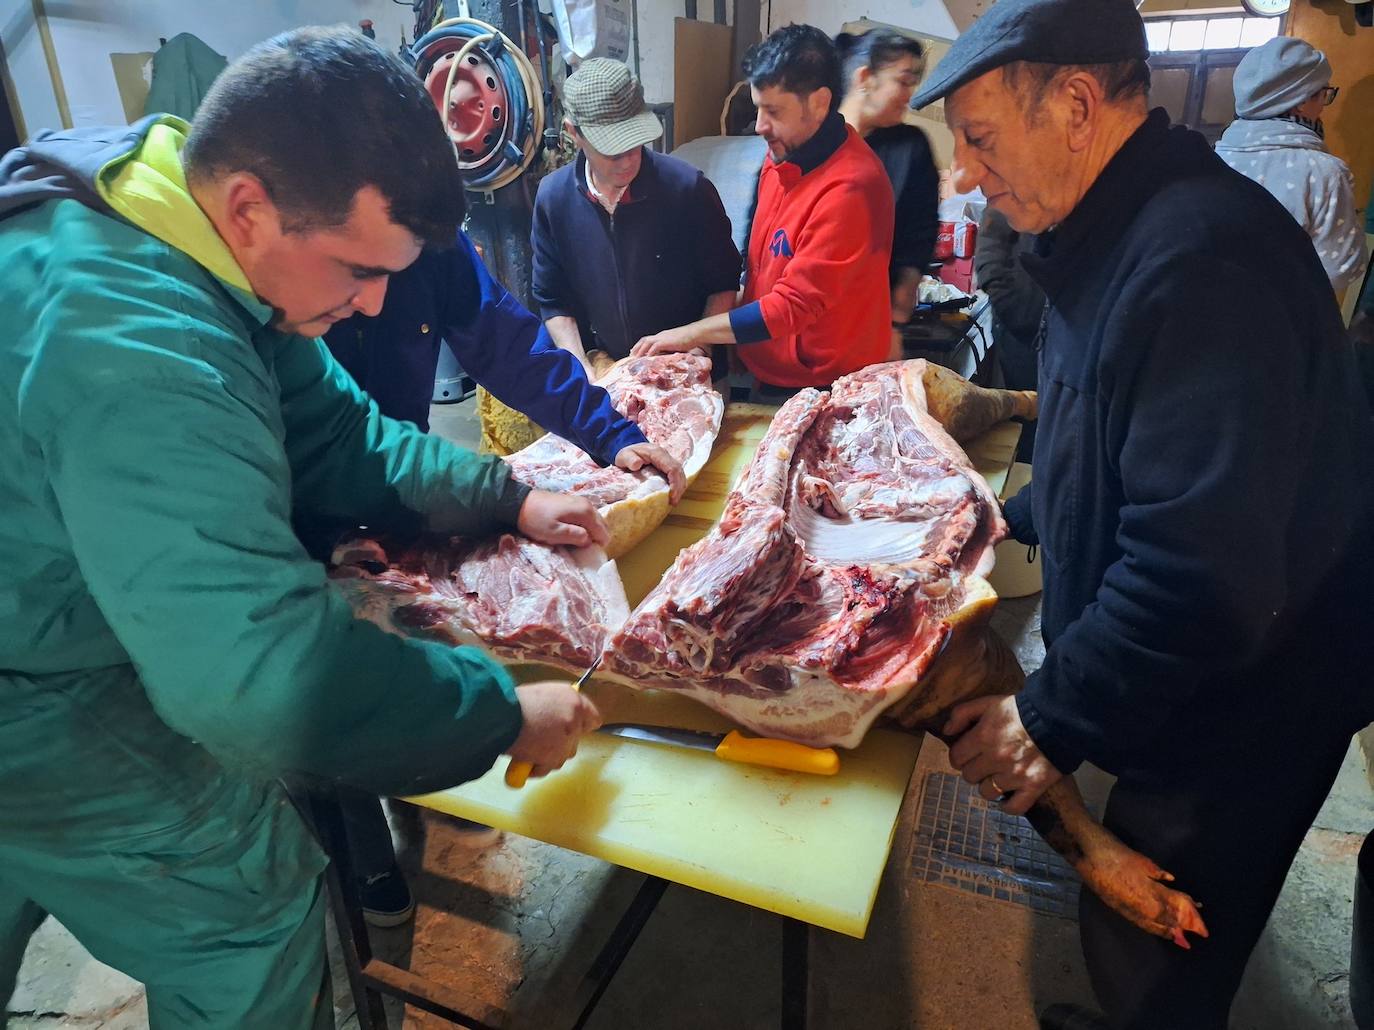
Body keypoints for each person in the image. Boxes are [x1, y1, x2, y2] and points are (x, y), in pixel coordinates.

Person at [0, 28, 604, 1028]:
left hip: (34, 609)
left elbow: (347, 439)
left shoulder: (177, 228)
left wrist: (508, 495)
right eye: (360, 271)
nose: (373, 302)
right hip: (32, 689)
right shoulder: (145, 351)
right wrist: (498, 714)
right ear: (251, 207)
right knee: (244, 906)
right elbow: (262, 682)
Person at [910, 2, 1374, 1028]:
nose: (969, 176)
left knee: (1155, 942)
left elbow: (1196, 576)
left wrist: (1047, 716)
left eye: (981, 141)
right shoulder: (1111, 230)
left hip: (1256, 692)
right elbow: (1103, 439)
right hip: (1218, 656)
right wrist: (1003, 520)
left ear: (1076, 105)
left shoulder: (1200, 263)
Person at [320, 228, 684, 927]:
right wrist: (504, 719)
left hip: (392, 476)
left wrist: (608, 433)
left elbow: (509, 344)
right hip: (289, 506)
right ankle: (363, 856)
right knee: (329, 674)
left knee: (409, 625)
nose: (370, 302)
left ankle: (428, 784)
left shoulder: (427, 232)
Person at [632, 24, 895, 398]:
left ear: (819, 103)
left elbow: (792, 307)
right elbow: (759, 263)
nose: (759, 126)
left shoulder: (852, 187)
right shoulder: (782, 156)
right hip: (772, 368)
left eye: (773, 111)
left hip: (829, 384)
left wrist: (691, 332)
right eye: (758, 108)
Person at [531, 58, 740, 368]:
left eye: (636, 143)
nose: (628, 160)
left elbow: (723, 282)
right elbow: (552, 299)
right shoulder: (554, 199)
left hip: (689, 366)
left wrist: (698, 349)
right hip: (606, 366)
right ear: (574, 132)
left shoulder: (687, 189)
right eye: (612, 151)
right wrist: (582, 370)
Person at [1215, 37, 1367, 296]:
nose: (1324, 107)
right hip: (1280, 326)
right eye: (1324, 94)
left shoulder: (1213, 157)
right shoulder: (1323, 173)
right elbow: (1340, 267)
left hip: (1203, 319)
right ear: (1299, 100)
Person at [835, 29, 939, 348]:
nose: (910, 94)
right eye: (904, 81)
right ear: (865, 77)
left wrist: (895, 321)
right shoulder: (815, 141)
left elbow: (917, 240)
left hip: (873, 322)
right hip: (802, 319)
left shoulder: (910, 146)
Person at [974, 206, 1044, 461]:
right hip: (1021, 332)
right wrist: (1015, 310)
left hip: (1067, 330)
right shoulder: (1013, 185)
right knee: (1028, 420)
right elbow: (990, 253)